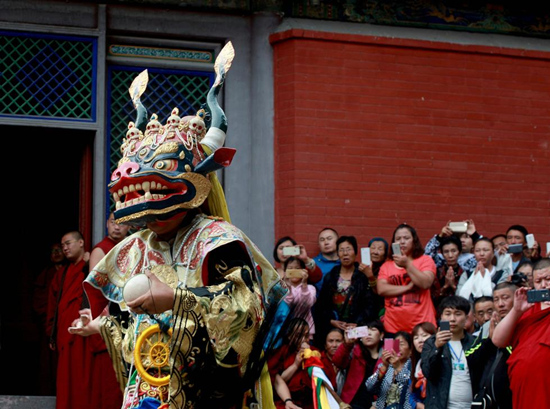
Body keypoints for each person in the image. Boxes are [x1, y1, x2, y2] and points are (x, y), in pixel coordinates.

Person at [70, 49, 286, 409]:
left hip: (201, 383)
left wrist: (177, 300)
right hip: (148, 375)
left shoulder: (218, 241)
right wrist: (100, 325)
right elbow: (126, 310)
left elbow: (245, 311)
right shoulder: (134, 247)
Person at [85, 213, 130, 409]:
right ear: (106, 223)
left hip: (126, 319)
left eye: (123, 222)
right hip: (108, 318)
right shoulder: (101, 250)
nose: (117, 227)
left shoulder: (132, 247)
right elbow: (97, 290)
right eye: (113, 222)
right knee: (109, 383)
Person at [492, 258, 550, 408]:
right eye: (538, 281)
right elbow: (498, 340)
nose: (543, 285)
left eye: (548, 279)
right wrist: (516, 310)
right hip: (524, 388)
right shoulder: (527, 308)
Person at [46, 231, 91, 409]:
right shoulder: (63, 273)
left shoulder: (90, 265)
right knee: (65, 378)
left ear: (81, 243)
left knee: (82, 377)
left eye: (68, 243)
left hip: (85, 332)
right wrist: (52, 332)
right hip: (65, 333)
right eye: (62, 245)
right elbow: (53, 304)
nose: (65, 248)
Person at [314, 236, 380, 348]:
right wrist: (331, 321)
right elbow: (321, 305)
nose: (345, 253)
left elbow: (371, 304)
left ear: (355, 252)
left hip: (357, 328)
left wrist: (358, 323)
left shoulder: (363, 276)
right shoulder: (331, 276)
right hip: (334, 328)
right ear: (338, 254)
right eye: (341, 250)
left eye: (348, 249)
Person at [377, 224, 437, 334]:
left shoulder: (425, 260)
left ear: (414, 241)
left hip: (422, 328)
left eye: (406, 238)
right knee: (391, 352)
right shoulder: (387, 265)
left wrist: (407, 265)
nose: (402, 242)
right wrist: (407, 287)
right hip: (393, 329)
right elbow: (381, 289)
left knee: (425, 351)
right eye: (398, 239)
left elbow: (425, 283)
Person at [421, 295, 475, 409]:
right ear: (441, 317)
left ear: (466, 317)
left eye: (458, 313)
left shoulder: (474, 342)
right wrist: (437, 347)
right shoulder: (431, 342)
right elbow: (429, 373)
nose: (452, 319)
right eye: (448, 313)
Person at [33, 242, 66, 395]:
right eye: (52, 251)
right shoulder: (46, 274)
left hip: (67, 326)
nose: (56, 253)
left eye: (59, 250)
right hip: (48, 325)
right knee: (47, 364)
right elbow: (39, 301)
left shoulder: (71, 272)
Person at [333, 320, 385, 408]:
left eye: (373, 329)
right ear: (360, 336)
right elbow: (338, 362)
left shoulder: (386, 354)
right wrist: (347, 345)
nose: (368, 333)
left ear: (381, 335)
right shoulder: (353, 351)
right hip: (351, 403)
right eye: (365, 331)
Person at [267, 318, 316, 409]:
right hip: (284, 401)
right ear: (289, 336)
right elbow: (276, 381)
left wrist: (311, 358)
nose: (303, 340)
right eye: (298, 336)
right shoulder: (282, 352)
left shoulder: (314, 352)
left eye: (306, 336)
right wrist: (296, 365)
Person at [365, 331, 413, 409]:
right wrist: (384, 367)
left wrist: (398, 368)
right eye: (395, 345)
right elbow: (369, 386)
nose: (398, 348)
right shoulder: (386, 366)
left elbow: (410, 387)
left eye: (401, 344)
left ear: (410, 351)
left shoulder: (414, 367)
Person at [282, 256, 317, 339]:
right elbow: (288, 304)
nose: (294, 271)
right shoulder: (281, 289)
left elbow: (307, 304)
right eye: (290, 268)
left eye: (297, 268)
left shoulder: (310, 288)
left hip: (306, 331)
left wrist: (304, 284)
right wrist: (288, 287)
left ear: (304, 270)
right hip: (286, 331)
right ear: (285, 271)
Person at [429, 235, 468, 308]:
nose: (450, 255)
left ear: (459, 252)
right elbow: (431, 298)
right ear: (442, 254)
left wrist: (453, 286)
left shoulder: (465, 273)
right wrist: (445, 287)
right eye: (446, 252)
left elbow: (466, 299)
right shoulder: (436, 273)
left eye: (453, 251)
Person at [409, 322, 437, 409]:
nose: (420, 340)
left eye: (424, 335)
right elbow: (408, 395)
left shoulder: (443, 360)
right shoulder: (412, 365)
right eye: (416, 338)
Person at [320, 328, 345, 394]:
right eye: (331, 341)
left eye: (338, 341)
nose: (334, 345)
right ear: (325, 345)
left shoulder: (348, 360)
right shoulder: (319, 361)